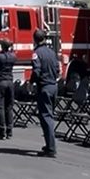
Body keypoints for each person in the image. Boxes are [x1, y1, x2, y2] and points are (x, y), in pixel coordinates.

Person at [31, 28, 59, 158]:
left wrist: (32, 83)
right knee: (50, 115)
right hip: (53, 85)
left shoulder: (37, 53)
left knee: (46, 117)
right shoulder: (51, 52)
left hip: (45, 87)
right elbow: (57, 68)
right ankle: (49, 144)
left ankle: (51, 148)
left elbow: (36, 71)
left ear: (35, 39)